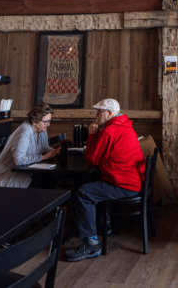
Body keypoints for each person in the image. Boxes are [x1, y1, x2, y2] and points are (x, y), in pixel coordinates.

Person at [64, 99, 146, 262]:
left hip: (124, 185)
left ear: (109, 114)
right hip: (132, 181)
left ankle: (90, 244)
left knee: (83, 193)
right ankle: (102, 225)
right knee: (91, 182)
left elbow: (92, 159)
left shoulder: (110, 131)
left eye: (99, 112)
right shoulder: (124, 125)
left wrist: (92, 135)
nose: (96, 115)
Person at [0, 103, 60, 188]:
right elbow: (19, 160)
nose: (48, 124)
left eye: (49, 121)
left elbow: (44, 147)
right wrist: (43, 157)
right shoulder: (25, 132)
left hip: (24, 171)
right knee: (43, 183)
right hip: (5, 176)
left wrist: (54, 151)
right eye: (45, 122)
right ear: (35, 121)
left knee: (50, 179)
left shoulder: (41, 129)